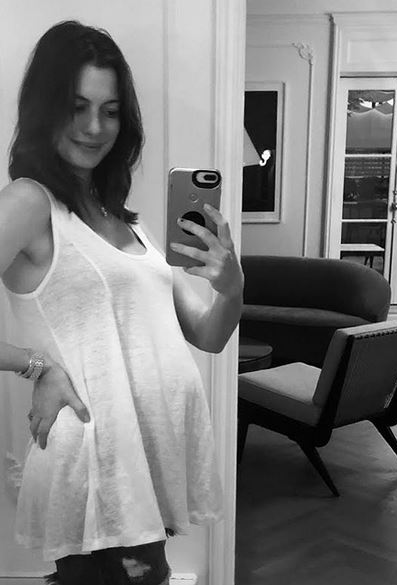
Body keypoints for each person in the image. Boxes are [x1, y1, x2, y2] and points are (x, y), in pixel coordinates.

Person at [0, 20, 244, 585]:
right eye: (76, 107)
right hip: (97, 465)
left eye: (110, 111)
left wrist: (232, 287)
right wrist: (36, 365)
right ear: (45, 108)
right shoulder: (30, 202)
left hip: (146, 458)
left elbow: (209, 335)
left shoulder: (125, 221)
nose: (94, 127)